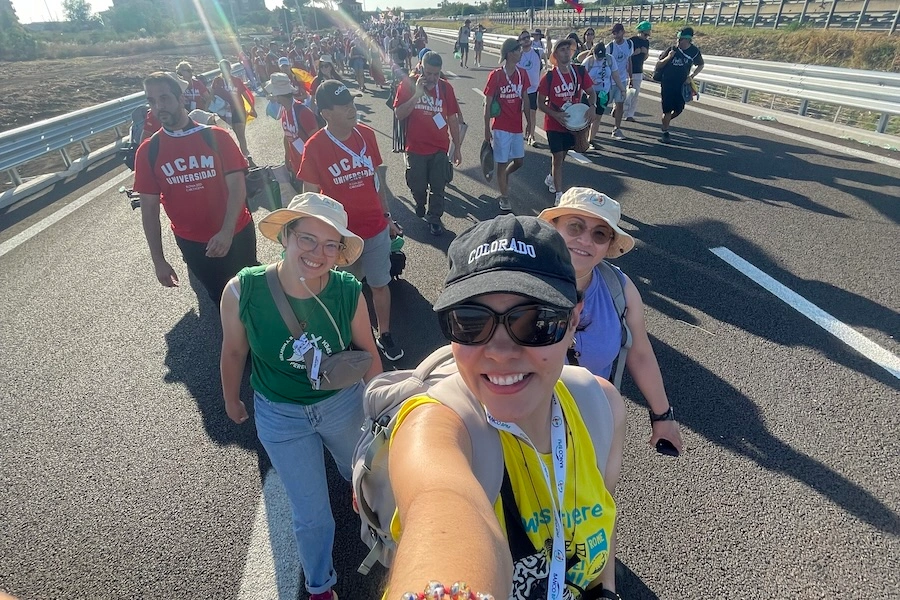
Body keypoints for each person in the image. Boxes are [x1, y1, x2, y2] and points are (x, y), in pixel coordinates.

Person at [385, 214, 626, 600]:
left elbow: (604, 521)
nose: (499, 353)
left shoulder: (600, 406)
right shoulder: (433, 429)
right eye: (470, 322)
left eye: (535, 321)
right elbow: (440, 501)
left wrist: (606, 590)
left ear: (573, 319)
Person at [220, 192, 383, 600]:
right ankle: (320, 585)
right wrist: (231, 399)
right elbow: (234, 351)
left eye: (331, 245)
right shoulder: (243, 291)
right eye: (307, 239)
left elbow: (368, 353)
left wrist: (384, 409)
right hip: (280, 415)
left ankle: (385, 538)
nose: (318, 253)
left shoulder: (348, 291)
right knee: (312, 516)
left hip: (342, 403)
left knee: (369, 482)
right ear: (286, 237)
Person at [539, 188, 683, 597]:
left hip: (593, 417)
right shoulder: (524, 277)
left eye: (599, 235)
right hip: (524, 413)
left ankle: (605, 587)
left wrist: (662, 415)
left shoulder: (618, 288)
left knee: (597, 499)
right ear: (554, 227)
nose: (585, 240)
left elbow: (639, 351)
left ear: (609, 246)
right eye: (575, 227)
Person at [299, 80, 405, 361]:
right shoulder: (315, 147)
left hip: (375, 228)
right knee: (347, 289)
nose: (351, 108)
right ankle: (350, 337)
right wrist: (310, 237)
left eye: (351, 102)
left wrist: (387, 217)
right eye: (343, 105)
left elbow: (377, 182)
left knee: (380, 284)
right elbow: (309, 198)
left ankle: (386, 334)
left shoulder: (367, 135)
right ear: (326, 113)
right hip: (341, 237)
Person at [134, 72, 257, 307]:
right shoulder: (149, 151)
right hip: (194, 244)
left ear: (181, 99)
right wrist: (158, 260)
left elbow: (237, 187)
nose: (159, 107)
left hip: (237, 233)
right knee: (222, 300)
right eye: (151, 101)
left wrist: (226, 232)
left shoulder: (216, 137)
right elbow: (148, 209)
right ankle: (239, 342)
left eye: (165, 98)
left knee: (253, 292)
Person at [393, 51, 462, 237]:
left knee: (438, 186)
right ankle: (420, 201)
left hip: (440, 147)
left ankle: (434, 218)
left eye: (436, 74)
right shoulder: (407, 85)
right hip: (415, 148)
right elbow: (399, 114)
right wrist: (417, 94)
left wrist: (457, 148)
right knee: (418, 186)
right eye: (428, 73)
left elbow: (452, 119)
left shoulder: (446, 88)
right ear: (421, 67)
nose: (432, 78)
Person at [538, 38, 597, 205]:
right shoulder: (549, 77)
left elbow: (591, 93)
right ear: (556, 55)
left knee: (562, 156)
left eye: (568, 49)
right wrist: (555, 115)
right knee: (557, 157)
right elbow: (540, 103)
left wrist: (592, 106)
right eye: (562, 49)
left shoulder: (580, 72)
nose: (566, 52)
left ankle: (551, 177)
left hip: (573, 123)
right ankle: (559, 194)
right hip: (554, 123)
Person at [484, 38, 532, 213]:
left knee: (519, 161)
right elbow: (487, 103)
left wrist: (530, 123)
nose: (520, 53)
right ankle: (504, 197)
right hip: (501, 127)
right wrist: (486, 129)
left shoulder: (522, 74)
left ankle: (502, 178)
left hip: (516, 126)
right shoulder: (496, 75)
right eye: (518, 50)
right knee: (502, 162)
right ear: (510, 53)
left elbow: (526, 99)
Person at [266, 73, 321, 175]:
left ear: (278, 95)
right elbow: (287, 136)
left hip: (311, 168)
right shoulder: (284, 111)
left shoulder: (303, 112)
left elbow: (317, 141)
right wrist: (287, 157)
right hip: (297, 166)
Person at [657, 27, 704, 143]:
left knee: (679, 109)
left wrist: (691, 77)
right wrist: (669, 57)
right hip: (667, 83)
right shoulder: (672, 49)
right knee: (667, 110)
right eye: (678, 39)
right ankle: (665, 131)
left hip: (682, 85)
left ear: (688, 40)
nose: (678, 42)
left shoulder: (694, 52)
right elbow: (658, 65)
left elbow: (701, 65)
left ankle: (665, 122)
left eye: (681, 39)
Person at [581, 43, 626, 151]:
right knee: (587, 117)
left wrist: (622, 89)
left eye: (602, 56)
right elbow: (580, 78)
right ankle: (581, 139)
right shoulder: (589, 61)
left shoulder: (610, 60)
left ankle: (590, 140)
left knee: (597, 116)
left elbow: (615, 75)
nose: (600, 59)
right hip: (589, 93)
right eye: (598, 56)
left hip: (603, 93)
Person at [211, 59, 256, 158]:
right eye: (222, 68)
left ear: (230, 68)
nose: (225, 70)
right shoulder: (217, 81)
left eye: (227, 68)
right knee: (237, 134)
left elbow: (245, 95)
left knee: (241, 134)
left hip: (239, 110)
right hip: (226, 112)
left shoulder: (237, 80)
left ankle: (246, 155)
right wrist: (210, 110)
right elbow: (212, 95)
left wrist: (253, 108)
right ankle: (244, 154)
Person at [606, 23, 633, 140]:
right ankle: (593, 127)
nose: (616, 35)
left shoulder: (629, 44)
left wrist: (630, 77)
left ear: (623, 32)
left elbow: (629, 60)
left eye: (618, 32)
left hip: (621, 80)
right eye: (614, 33)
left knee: (620, 104)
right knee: (602, 104)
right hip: (609, 81)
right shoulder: (610, 47)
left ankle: (617, 129)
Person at [516, 30, 542, 148]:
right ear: (520, 42)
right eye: (524, 38)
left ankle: (532, 136)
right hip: (521, 90)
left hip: (534, 89)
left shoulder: (538, 52)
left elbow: (552, 54)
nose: (527, 39)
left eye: (528, 37)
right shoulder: (518, 55)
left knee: (532, 114)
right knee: (517, 114)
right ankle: (517, 133)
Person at [625, 21, 652, 122]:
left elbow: (644, 58)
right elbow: (625, 56)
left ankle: (629, 114)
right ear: (640, 31)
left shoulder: (646, 42)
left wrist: (645, 54)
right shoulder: (631, 41)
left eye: (648, 34)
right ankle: (618, 108)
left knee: (635, 94)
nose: (646, 36)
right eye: (645, 34)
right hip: (627, 71)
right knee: (625, 92)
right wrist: (634, 53)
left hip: (639, 70)